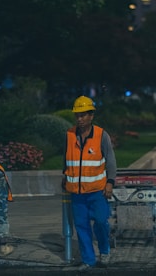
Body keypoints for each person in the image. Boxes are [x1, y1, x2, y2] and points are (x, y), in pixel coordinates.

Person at [63, 96, 117, 271]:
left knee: (101, 221)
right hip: (77, 193)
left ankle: (105, 251)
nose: (80, 119)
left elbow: (110, 161)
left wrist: (110, 183)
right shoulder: (69, 135)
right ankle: (88, 260)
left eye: (83, 115)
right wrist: (65, 177)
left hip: (97, 191)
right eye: (77, 115)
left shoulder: (102, 135)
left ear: (91, 115)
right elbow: (66, 160)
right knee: (82, 226)